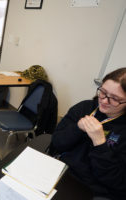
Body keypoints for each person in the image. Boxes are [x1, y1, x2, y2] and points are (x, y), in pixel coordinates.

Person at [51, 68, 126, 200]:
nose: (103, 101)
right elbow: (57, 143)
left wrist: (100, 144)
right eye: (103, 92)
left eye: (115, 98)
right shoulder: (84, 108)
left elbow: (118, 182)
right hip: (63, 172)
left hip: (95, 190)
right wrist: (77, 128)